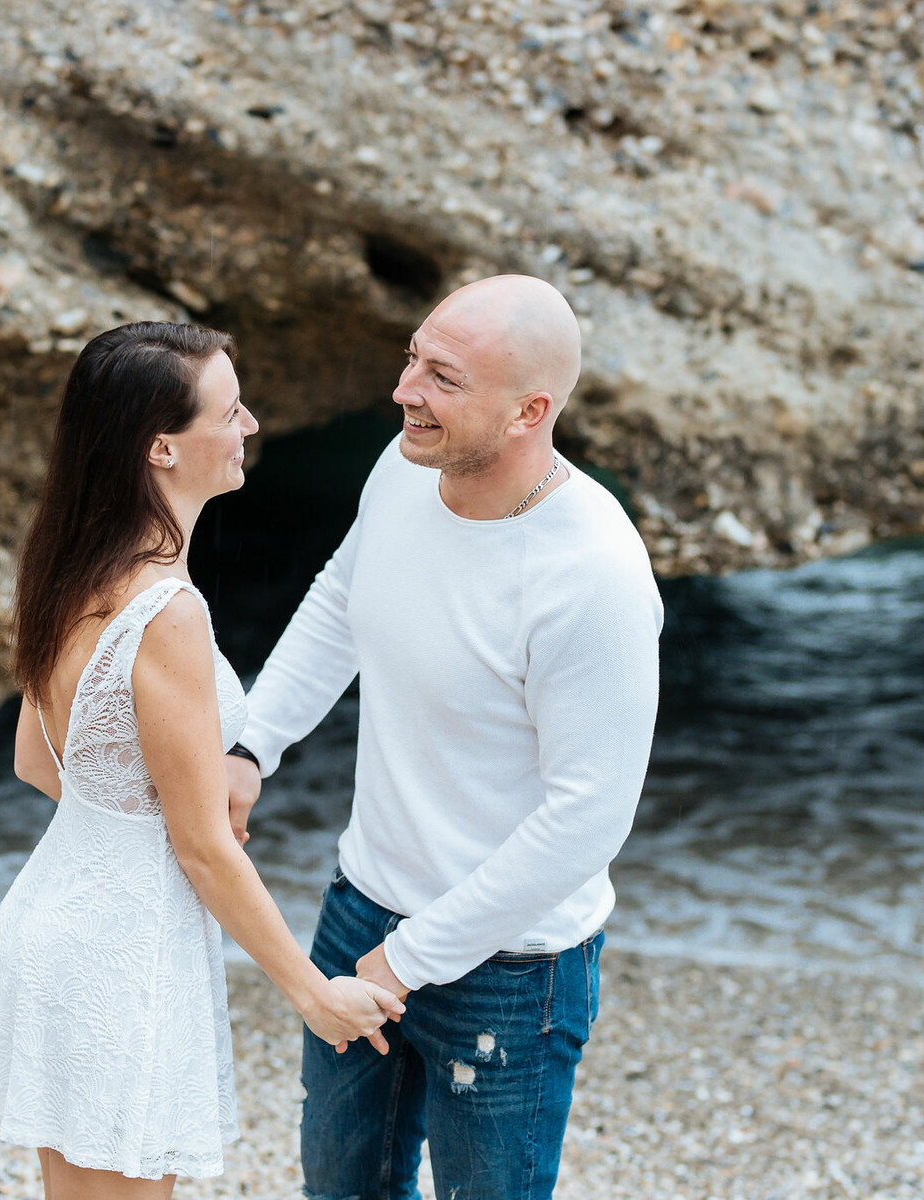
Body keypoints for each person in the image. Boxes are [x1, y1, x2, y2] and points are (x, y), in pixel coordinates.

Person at [224, 276, 665, 1200]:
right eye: (412, 358)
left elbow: (588, 818)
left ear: (528, 410)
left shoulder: (593, 575)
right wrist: (253, 744)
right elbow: (343, 598)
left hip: (513, 968)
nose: (404, 391)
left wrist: (412, 957)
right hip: (362, 904)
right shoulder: (406, 464)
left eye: (444, 377)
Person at [0, 322, 404, 1199]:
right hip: (122, 944)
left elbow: (39, 764)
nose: (251, 424)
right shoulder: (167, 609)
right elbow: (202, 845)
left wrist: (137, 793)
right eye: (231, 409)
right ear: (161, 446)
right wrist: (315, 995)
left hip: (65, 908)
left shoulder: (71, 566)